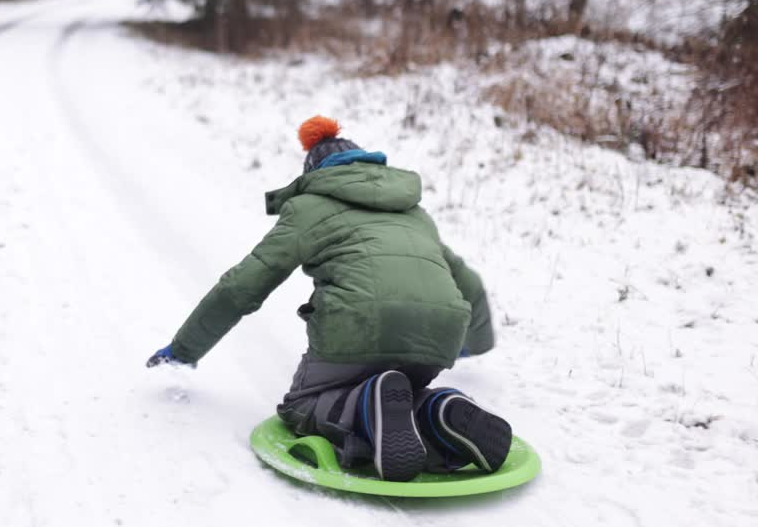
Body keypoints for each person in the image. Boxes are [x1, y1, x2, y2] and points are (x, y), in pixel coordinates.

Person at [146, 116, 511, 482]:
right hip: (439, 333)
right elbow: (472, 286)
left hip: (357, 325)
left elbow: (241, 286)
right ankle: (436, 409)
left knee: (302, 408)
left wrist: (184, 350)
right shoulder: (414, 214)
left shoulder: (309, 207)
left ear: (316, 172)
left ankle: (365, 405)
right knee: (404, 394)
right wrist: (471, 345)